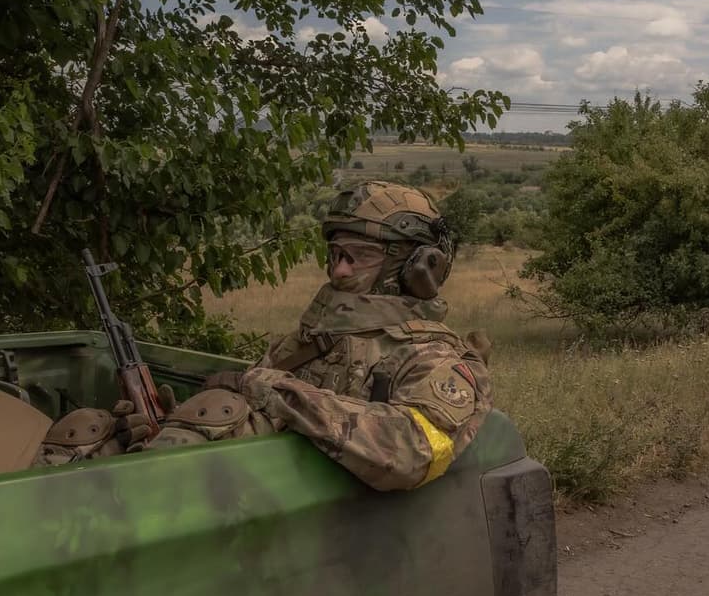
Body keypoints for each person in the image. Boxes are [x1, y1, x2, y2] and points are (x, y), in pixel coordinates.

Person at [114, 181, 493, 491]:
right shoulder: (313, 338)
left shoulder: (434, 359)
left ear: (417, 268)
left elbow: (415, 451)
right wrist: (171, 429)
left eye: (358, 256)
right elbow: (254, 411)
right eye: (335, 254)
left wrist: (280, 394)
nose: (339, 271)